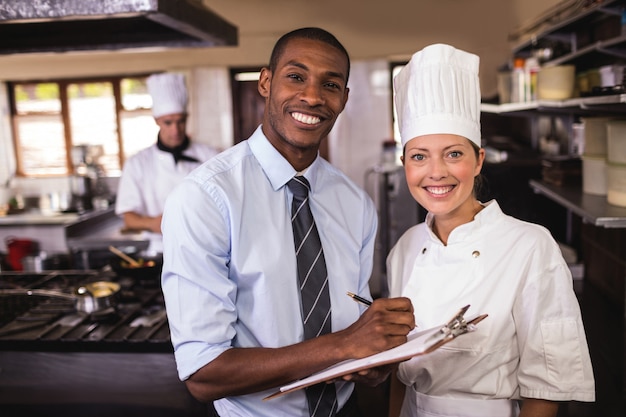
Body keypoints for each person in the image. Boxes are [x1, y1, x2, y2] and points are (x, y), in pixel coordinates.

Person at [160, 27, 416, 417]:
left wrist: (372, 364)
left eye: (330, 84)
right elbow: (203, 374)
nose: (312, 96)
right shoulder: (206, 198)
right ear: (266, 82)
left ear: (343, 99)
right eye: (295, 77)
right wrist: (345, 345)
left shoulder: (355, 203)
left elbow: (355, 331)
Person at [386, 43, 595, 417]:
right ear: (405, 164)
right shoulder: (403, 249)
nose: (436, 172)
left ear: (478, 159)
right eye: (419, 156)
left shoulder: (530, 246)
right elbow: (398, 379)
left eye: (454, 153)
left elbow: (546, 384)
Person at [115, 72, 219, 253]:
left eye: (181, 122)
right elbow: (129, 218)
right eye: (168, 122)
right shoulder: (138, 163)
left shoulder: (211, 156)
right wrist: (154, 223)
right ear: (157, 121)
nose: (175, 130)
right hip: (160, 250)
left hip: (206, 249)